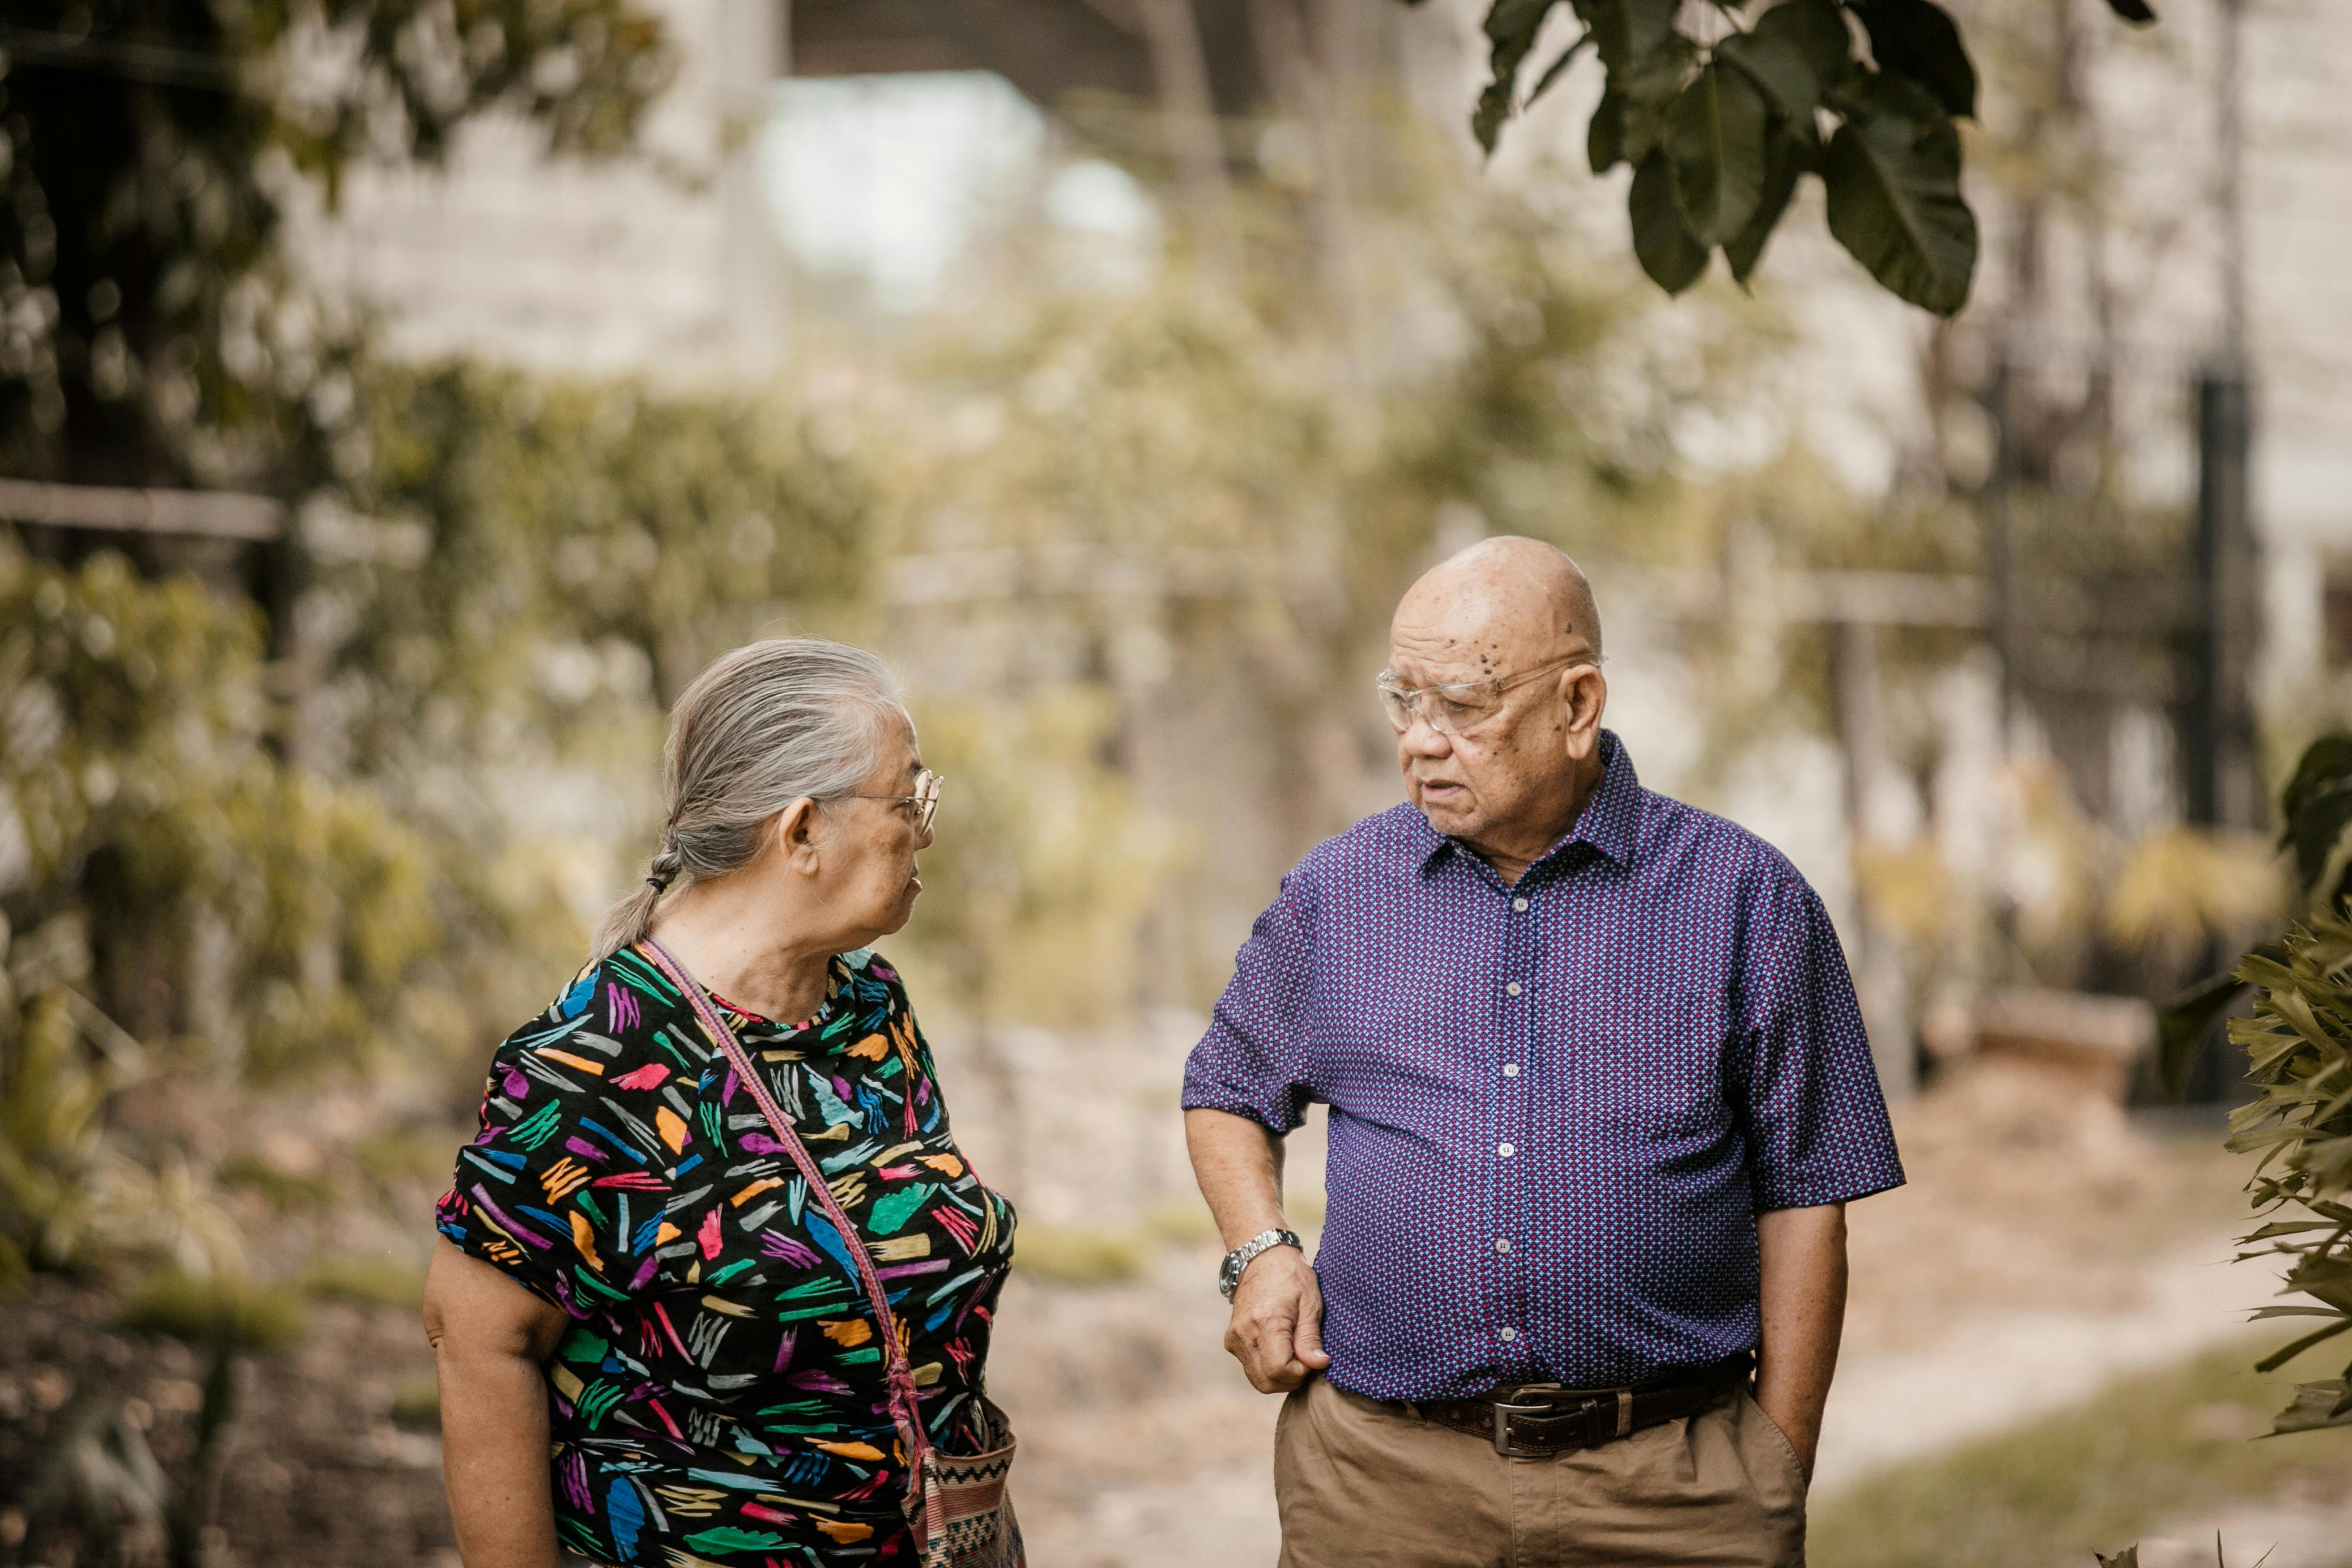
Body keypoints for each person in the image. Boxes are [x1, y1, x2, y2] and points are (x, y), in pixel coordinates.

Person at [1181, 538, 1904, 1567]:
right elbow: (1224, 1089)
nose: (1421, 742)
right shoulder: (1335, 896)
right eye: (1403, 701)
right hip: (1381, 1488)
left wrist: (1775, 1464)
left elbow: (1808, 1197)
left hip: (1669, 1491)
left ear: (1577, 705)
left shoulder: (1749, 901)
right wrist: (1260, 1251)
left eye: (1462, 707)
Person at [423, 637, 1017, 1567]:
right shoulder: (597, 1064)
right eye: (909, 800)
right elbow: (476, 1340)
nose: (925, 828)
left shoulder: (868, 1008)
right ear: (803, 832)